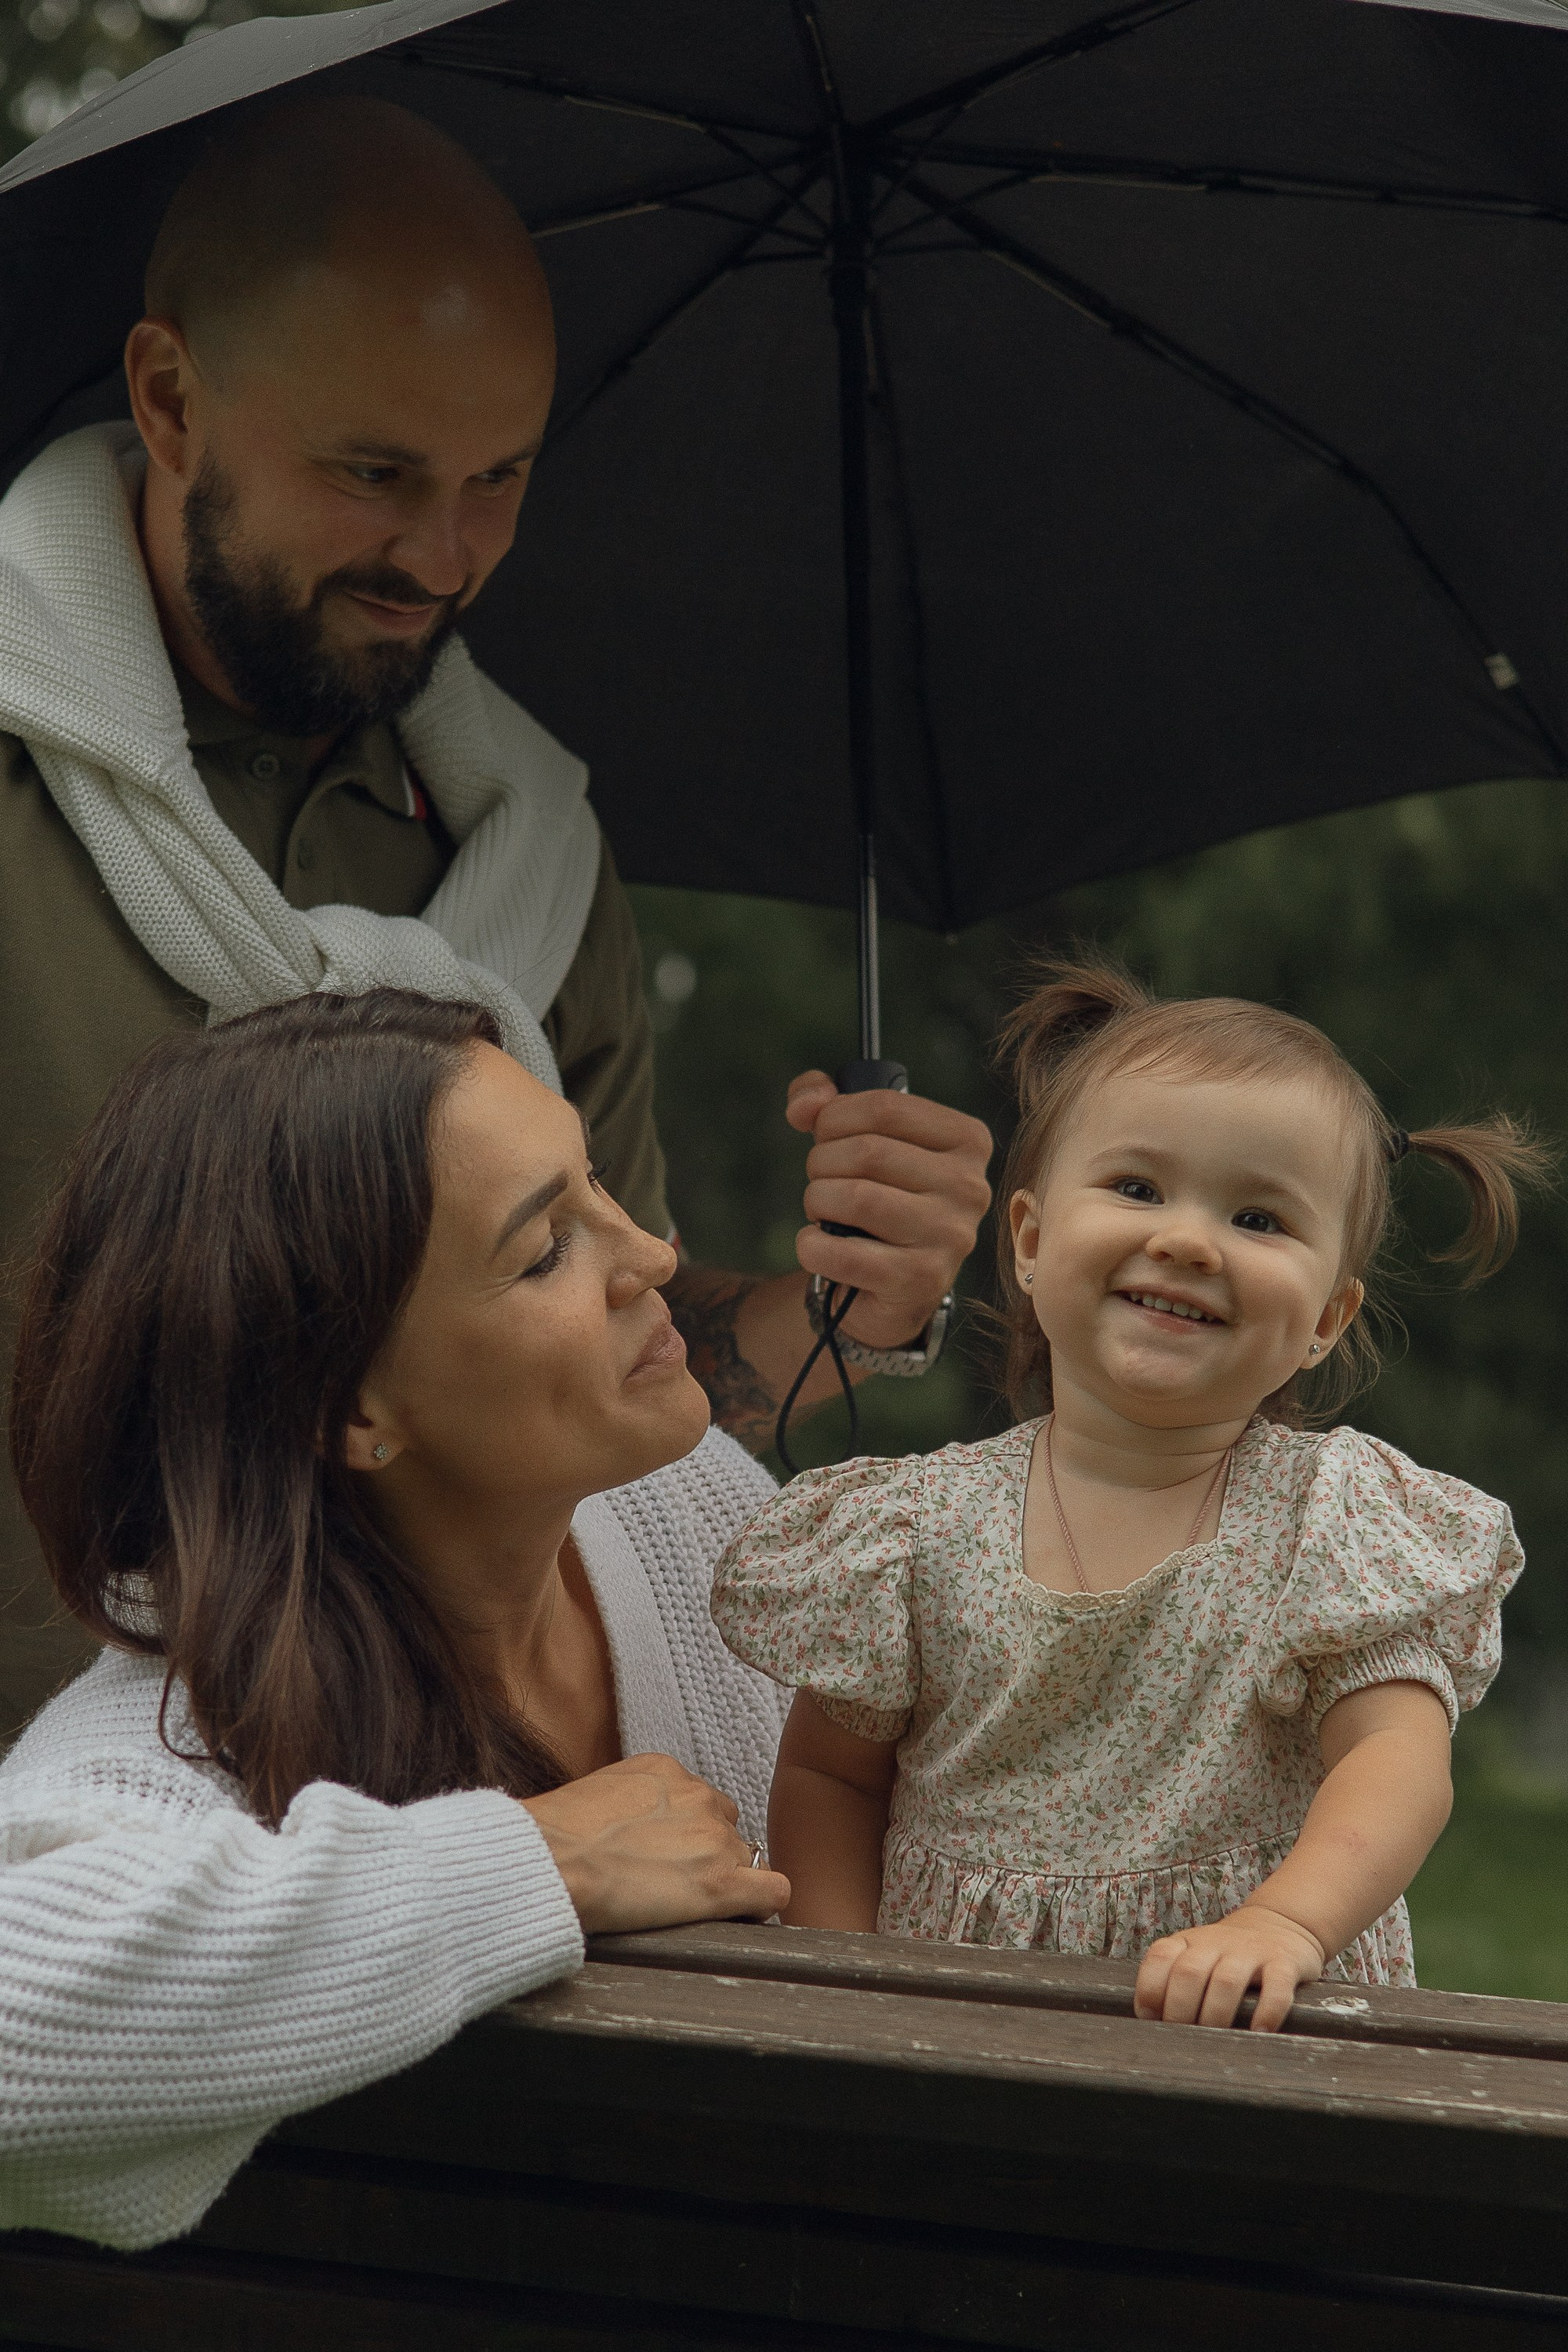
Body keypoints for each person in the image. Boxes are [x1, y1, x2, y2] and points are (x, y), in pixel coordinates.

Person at [0, 93, 993, 1736]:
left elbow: (604, 1355)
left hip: (452, 1823)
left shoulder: (530, 852)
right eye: (374, 473)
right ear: (168, 397)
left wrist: (839, 1310)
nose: (446, 558)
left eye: (501, 479)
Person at [0, 987, 792, 2250]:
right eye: (546, 1250)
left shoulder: (687, 1510)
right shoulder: (170, 1738)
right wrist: (537, 1864)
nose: (649, 1256)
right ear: (350, 1412)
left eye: (598, 1188)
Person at [712, 960, 1548, 2031]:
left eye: (1258, 1218)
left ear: (1327, 1318)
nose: (1189, 1240)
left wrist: (1286, 1924)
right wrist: (849, 1981)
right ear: (1028, 1241)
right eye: (1139, 1189)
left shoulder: (1330, 1523)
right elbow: (832, 1782)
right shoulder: (914, 1531)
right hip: (955, 2021)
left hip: (1248, 2029)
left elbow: (1398, 1760)